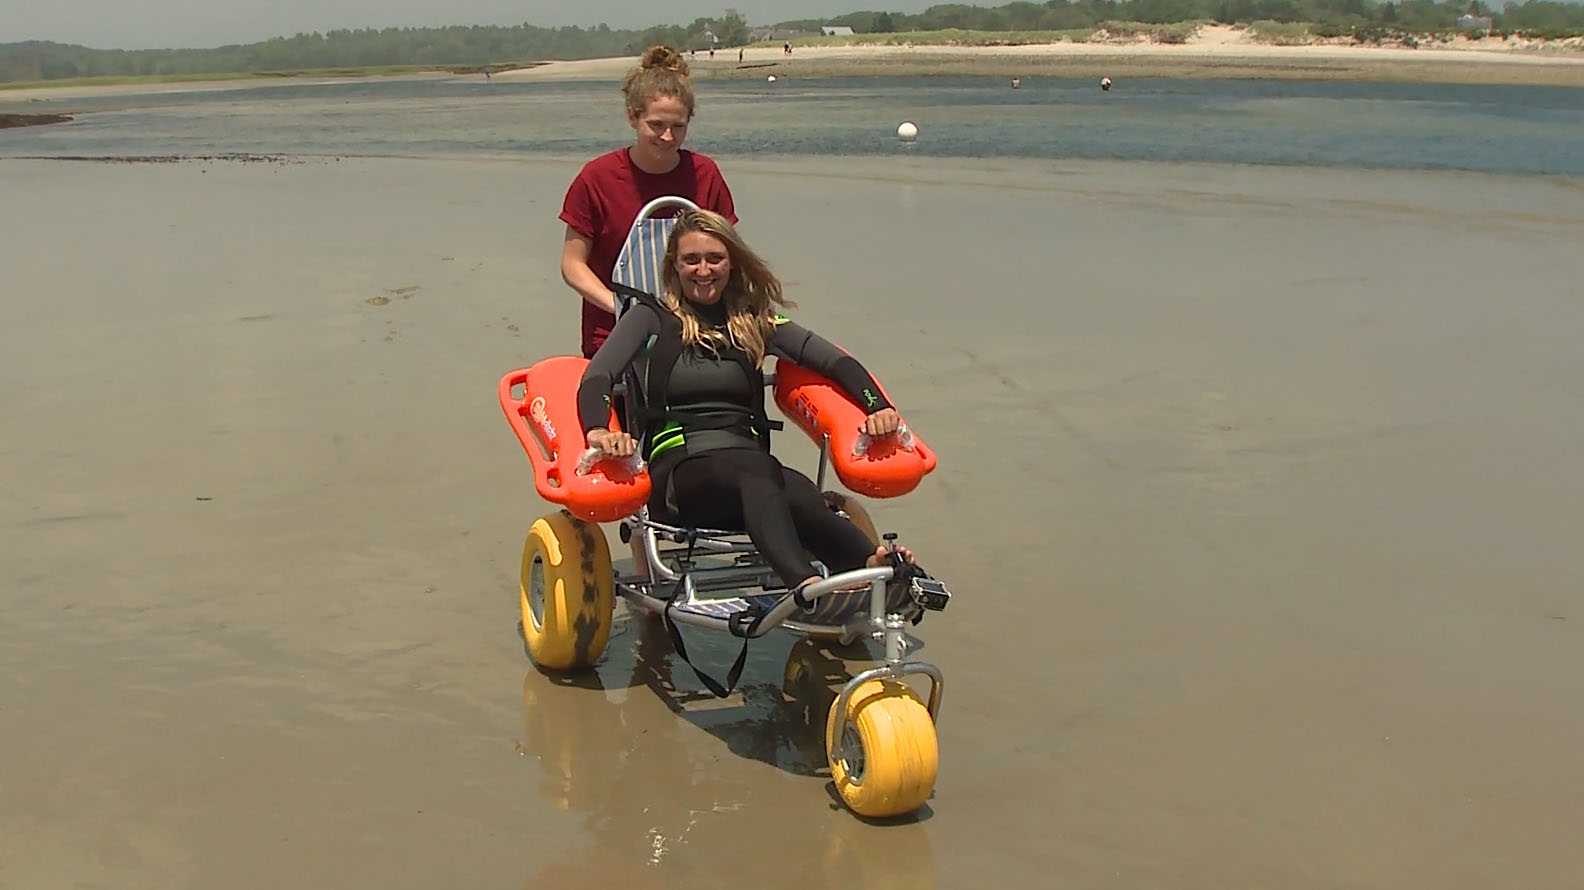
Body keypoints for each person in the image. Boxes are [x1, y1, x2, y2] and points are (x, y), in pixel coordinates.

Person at [577, 210, 913, 594]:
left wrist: (878, 406)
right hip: (679, 474)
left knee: (797, 488)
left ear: (732, 263)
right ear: (674, 267)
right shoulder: (648, 318)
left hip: (752, 472)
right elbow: (598, 376)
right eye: (691, 260)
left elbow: (834, 360)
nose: (704, 270)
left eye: (714, 258)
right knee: (759, 473)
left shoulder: (753, 320)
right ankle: (804, 585)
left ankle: (872, 564)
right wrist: (599, 429)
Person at [560, 46, 736, 358]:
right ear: (633, 117)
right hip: (613, 333)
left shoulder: (705, 174)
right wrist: (623, 308)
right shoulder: (596, 177)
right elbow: (573, 265)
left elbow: (730, 255)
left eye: (678, 126)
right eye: (656, 125)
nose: (668, 137)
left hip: (694, 328)